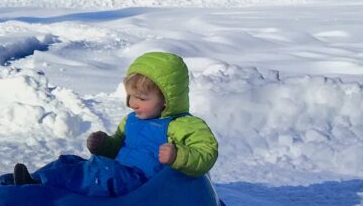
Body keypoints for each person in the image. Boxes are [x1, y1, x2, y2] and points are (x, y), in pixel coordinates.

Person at [12, 51, 218, 196]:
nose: (132, 104)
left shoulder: (183, 124)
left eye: (142, 99)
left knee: (98, 172)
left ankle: (40, 189)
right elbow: (119, 146)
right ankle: (34, 180)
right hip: (119, 172)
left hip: (141, 184)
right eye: (131, 96)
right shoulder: (132, 120)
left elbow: (207, 152)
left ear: (167, 99)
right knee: (72, 162)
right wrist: (105, 146)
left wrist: (178, 156)